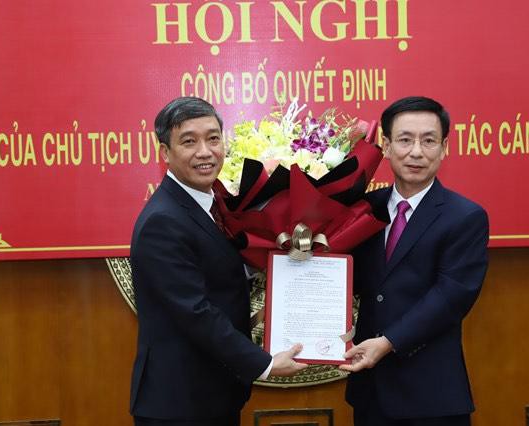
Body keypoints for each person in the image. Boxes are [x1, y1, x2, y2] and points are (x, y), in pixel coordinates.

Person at [129, 97, 307, 426]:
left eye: (213, 138)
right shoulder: (163, 222)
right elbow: (195, 312)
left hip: (211, 392)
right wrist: (265, 364)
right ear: (165, 152)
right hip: (180, 402)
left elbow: (220, 271)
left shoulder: (212, 204)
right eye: (189, 141)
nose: (205, 152)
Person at [340, 96, 489, 426]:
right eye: (405, 140)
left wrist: (388, 343)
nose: (417, 152)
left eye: (429, 141)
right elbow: (348, 277)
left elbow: (450, 297)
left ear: (444, 147)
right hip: (370, 393)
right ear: (387, 146)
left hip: (431, 396)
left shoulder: (465, 217)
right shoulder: (364, 209)